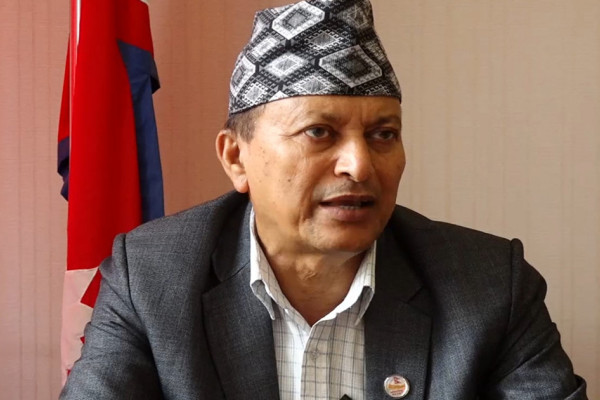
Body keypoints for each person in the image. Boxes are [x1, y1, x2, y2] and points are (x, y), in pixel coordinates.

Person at [61, 0, 588, 399]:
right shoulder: (152, 277)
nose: (360, 166)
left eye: (383, 134)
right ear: (236, 158)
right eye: (319, 132)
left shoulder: (489, 284)